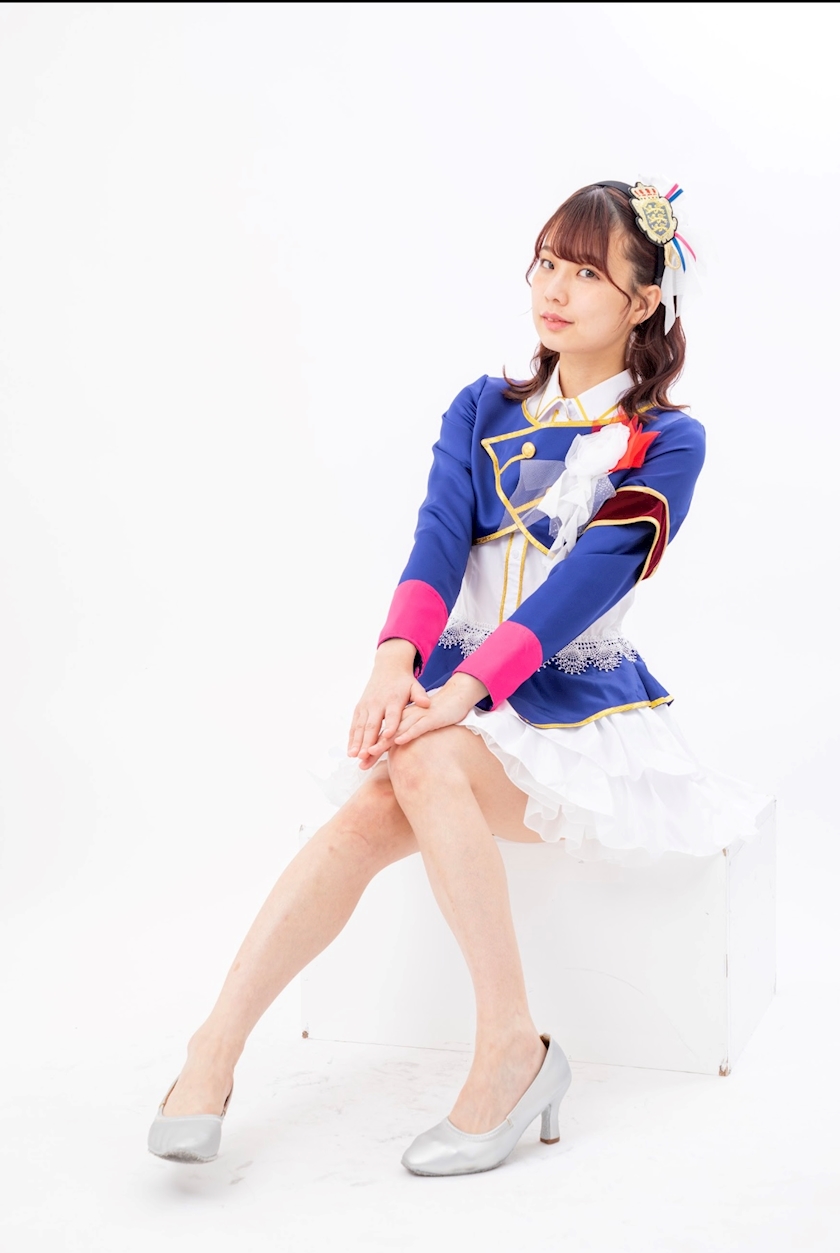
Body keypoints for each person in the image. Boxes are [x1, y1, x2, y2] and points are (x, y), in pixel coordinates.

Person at [147, 180, 764, 1176]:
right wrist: (393, 665)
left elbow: (587, 584)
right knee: (375, 805)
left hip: (571, 707)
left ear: (644, 301)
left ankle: (505, 1045)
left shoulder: (667, 440)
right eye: (547, 262)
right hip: (453, 688)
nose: (554, 289)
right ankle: (217, 1046)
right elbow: (437, 541)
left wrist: (466, 691)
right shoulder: (482, 407)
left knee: (422, 761)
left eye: (588, 273)